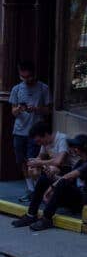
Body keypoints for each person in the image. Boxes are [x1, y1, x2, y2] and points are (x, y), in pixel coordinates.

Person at [11, 133, 87, 231]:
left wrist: (51, 189)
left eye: (76, 147)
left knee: (63, 181)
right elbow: (67, 179)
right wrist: (52, 177)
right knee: (45, 178)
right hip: (78, 197)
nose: (73, 149)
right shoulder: (81, 162)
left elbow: (69, 177)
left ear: (84, 148)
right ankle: (31, 215)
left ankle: (46, 218)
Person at [8, 60, 51, 202]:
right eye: (23, 77)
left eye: (28, 77)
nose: (26, 80)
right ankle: (30, 189)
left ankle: (38, 189)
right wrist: (19, 109)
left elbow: (49, 110)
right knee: (22, 161)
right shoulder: (16, 89)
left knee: (34, 160)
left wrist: (37, 109)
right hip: (19, 130)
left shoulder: (43, 88)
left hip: (36, 131)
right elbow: (13, 112)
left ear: (34, 74)